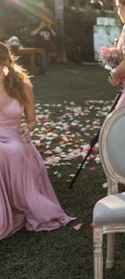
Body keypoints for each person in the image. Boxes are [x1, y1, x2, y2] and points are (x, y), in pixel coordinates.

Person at [0, 42, 72, 239]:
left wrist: (27, 127)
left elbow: (31, 121)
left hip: (14, 136)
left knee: (11, 152)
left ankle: (23, 208)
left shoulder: (21, 84)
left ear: (5, 63)